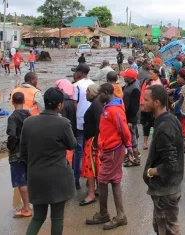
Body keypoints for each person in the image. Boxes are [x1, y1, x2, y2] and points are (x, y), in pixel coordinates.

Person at [21, 87, 77, 235]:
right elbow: (72, 145)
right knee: (57, 218)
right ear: (59, 105)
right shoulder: (63, 123)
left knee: (38, 217)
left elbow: (23, 152)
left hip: (35, 175)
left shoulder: (28, 122)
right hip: (58, 177)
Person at [85, 83, 133, 230]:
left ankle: (109, 214)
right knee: (114, 180)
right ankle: (114, 214)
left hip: (113, 149)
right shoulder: (109, 107)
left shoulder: (114, 110)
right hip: (109, 149)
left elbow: (124, 129)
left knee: (103, 180)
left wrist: (129, 146)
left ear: (106, 92)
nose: (98, 96)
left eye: (100, 94)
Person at [142, 85, 184, 235]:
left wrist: (151, 171)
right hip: (169, 186)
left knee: (168, 228)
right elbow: (182, 146)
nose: (143, 102)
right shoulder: (170, 119)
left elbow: (170, 163)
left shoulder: (164, 128)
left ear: (157, 102)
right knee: (160, 225)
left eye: (146, 100)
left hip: (166, 189)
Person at [7, 92, 32, 218]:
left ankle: (27, 208)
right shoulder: (28, 115)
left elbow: (12, 135)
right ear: (24, 101)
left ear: (13, 102)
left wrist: (10, 147)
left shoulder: (12, 118)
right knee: (27, 178)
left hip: (17, 152)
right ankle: (27, 205)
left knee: (21, 181)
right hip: (29, 151)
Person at [79, 84, 103, 206]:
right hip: (93, 138)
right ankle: (98, 190)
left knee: (91, 167)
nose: (86, 94)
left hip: (93, 140)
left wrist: (96, 140)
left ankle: (91, 194)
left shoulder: (95, 105)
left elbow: (100, 122)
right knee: (95, 167)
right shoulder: (96, 104)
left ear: (93, 93)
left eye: (87, 91)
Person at [72, 63, 94, 190]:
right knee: (90, 150)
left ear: (80, 73)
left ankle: (76, 180)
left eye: (76, 72)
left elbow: (75, 105)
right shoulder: (92, 84)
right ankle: (89, 179)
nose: (75, 74)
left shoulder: (75, 86)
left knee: (78, 151)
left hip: (80, 122)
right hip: (91, 122)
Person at [121, 68, 141, 167]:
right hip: (127, 115)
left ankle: (135, 159)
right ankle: (132, 156)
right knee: (132, 136)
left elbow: (134, 106)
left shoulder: (135, 89)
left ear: (130, 77)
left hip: (131, 117)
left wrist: (130, 120)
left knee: (131, 137)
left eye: (125, 75)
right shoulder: (129, 84)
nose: (123, 76)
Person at [55, 79, 77, 166]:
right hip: (72, 131)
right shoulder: (72, 101)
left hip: (63, 134)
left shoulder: (61, 103)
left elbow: (61, 119)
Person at [173, 69, 185, 149]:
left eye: (178, 78)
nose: (177, 79)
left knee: (183, 126)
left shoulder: (183, 88)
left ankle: (183, 143)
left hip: (181, 110)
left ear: (183, 78)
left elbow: (180, 98)